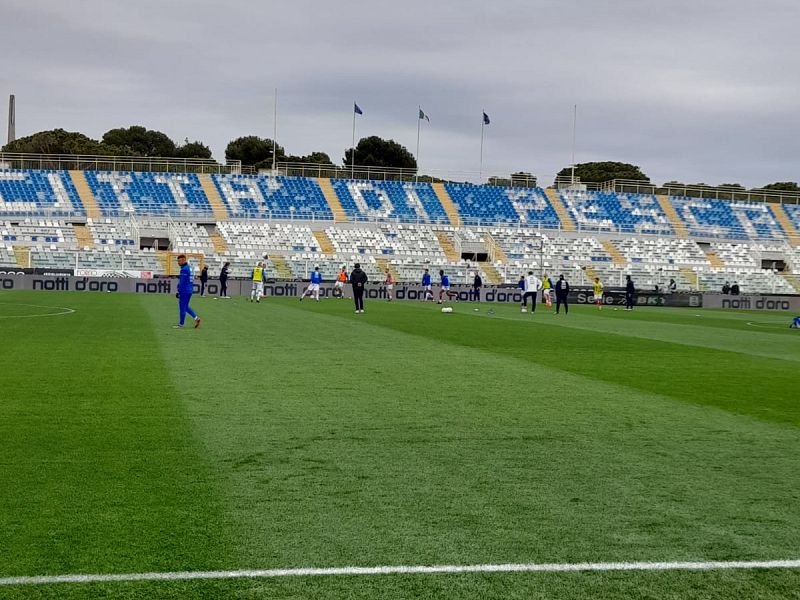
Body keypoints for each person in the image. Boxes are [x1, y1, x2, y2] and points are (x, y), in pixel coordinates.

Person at [174, 254, 200, 329]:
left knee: (182, 307)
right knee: (185, 306)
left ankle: (181, 324)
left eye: (179, 261)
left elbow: (182, 282)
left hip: (184, 290)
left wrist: (179, 291)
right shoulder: (189, 268)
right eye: (177, 261)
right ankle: (196, 318)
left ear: (183, 260)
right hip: (189, 289)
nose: (178, 263)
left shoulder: (184, 269)